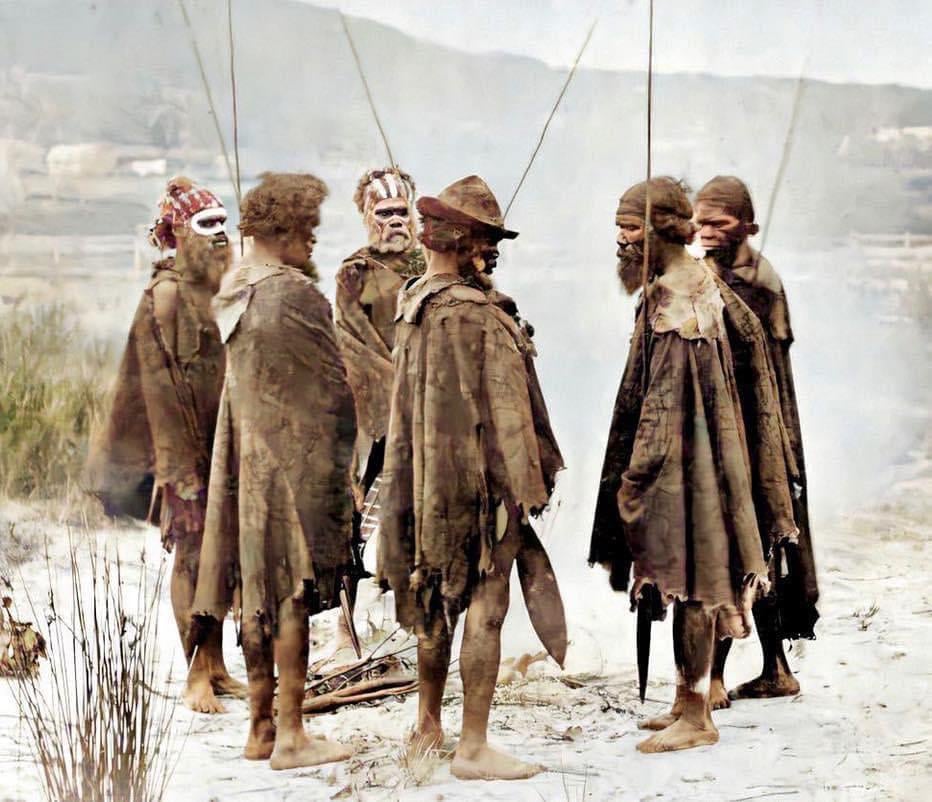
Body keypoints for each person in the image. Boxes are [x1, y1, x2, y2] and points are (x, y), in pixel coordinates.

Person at [588, 177, 798, 753]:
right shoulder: (689, 284)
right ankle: (686, 699)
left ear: (659, 229)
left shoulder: (680, 301)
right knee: (690, 583)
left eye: (629, 227)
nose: (621, 241)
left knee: (695, 579)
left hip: (689, 469)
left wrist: (635, 479)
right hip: (699, 464)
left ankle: (698, 716)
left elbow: (663, 404)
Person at [379, 175, 563, 780]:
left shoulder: (413, 300)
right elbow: (509, 414)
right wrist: (525, 487)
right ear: (462, 243)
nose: (491, 255)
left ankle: (428, 724)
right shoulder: (479, 315)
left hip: (426, 480)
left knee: (434, 597)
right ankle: (473, 746)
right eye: (486, 243)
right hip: (479, 484)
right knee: (486, 604)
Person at [191, 172, 357, 769]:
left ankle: (260, 730)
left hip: (246, 468)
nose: (313, 241)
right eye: (307, 228)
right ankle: (290, 735)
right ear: (282, 229)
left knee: (258, 593)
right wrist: (346, 470)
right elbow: (335, 392)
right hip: (292, 467)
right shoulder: (294, 294)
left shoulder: (235, 287)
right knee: (291, 596)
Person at [85, 175, 242, 713]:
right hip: (182, 453)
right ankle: (196, 674)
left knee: (221, 558)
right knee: (194, 557)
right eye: (207, 225)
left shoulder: (219, 286)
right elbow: (158, 389)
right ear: (178, 233)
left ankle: (219, 667)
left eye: (225, 223)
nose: (220, 234)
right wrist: (183, 471)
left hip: (221, 446)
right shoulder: (167, 295)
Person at [695, 175, 818, 705]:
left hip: (752, 429)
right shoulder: (716, 274)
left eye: (718, 223)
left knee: (739, 543)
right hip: (741, 427)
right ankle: (775, 668)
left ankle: (715, 677)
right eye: (699, 222)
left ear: (748, 226)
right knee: (756, 545)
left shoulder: (756, 283)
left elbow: (755, 371)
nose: (706, 232)